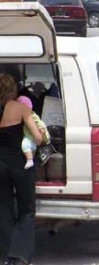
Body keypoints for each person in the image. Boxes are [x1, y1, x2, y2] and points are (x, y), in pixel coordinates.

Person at [0, 74, 43, 265]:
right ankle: (21, 255)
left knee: (3, 209)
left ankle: (5, 255)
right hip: (19, 165)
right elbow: (38, 138)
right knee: (26, 210)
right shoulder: (21, 108)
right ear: (13, 89)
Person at [16, 96, 50, 170]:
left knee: (25, 145)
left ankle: (30, 160)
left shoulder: (30, 116)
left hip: (30, 138)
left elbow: (39, 124)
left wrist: (41, 131)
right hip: (31, 139)